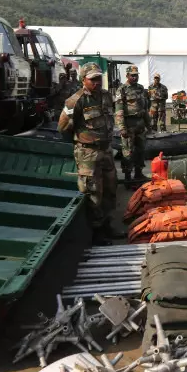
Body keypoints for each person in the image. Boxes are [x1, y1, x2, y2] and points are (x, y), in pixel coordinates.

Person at [57, 62, 120, 246]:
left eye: (99, 78)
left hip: (106, 151)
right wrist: (81, 142)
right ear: (83, 79)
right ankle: (96, 234)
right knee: (93, 194)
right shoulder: (75, 101)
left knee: (110, 189)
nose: (97, 82)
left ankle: (107, 226)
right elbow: (63, 127)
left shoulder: (106, 96)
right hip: (87, 154)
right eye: (92, 79)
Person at [115, 65, 150, 185]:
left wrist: (149, 125)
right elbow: (119, 110)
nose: (135, 77)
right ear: (127, 76)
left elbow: (145, 108)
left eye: (136, 75)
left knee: (141, 150)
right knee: (128, 152)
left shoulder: (141, 88)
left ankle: (139, 173)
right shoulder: (122, 89)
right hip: (128, 125)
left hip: (140, 125)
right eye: (132, 75)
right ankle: (128, 176)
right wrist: (122, 128)